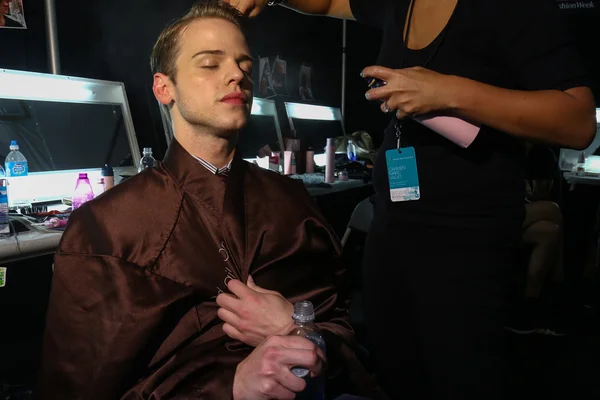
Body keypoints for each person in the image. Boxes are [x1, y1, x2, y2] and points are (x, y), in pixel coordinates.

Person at [224, 0, 597, 398]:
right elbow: (329, 2)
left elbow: (576, 121)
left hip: (466, 238)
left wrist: (449, 91)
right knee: (395, 371)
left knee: (460, 376)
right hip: (394, 225)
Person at [36, 2, 385, 399]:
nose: (237, 74)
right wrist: (227, 386)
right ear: (164, 88)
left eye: (244, 66)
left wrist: (300, 331)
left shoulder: (292, 202)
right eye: (209, 64)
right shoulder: (105, 231)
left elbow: (340, 326)